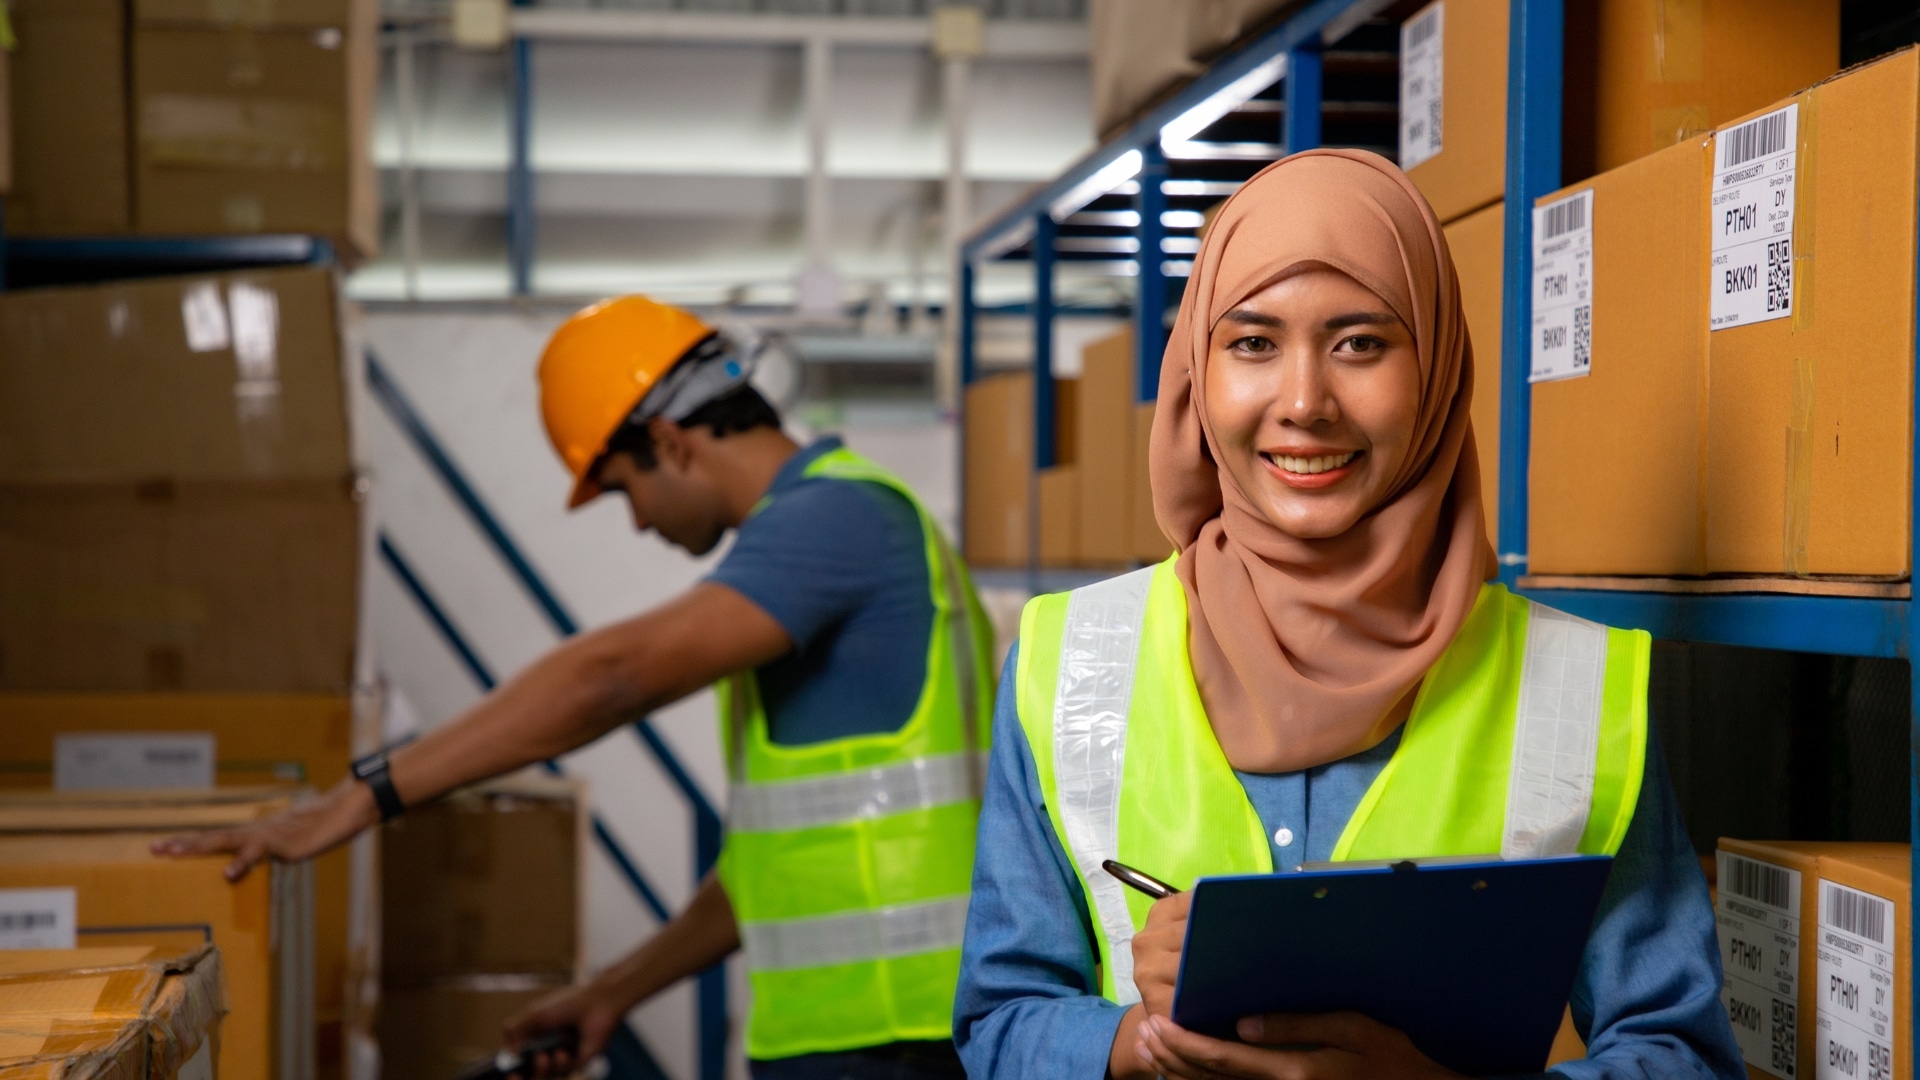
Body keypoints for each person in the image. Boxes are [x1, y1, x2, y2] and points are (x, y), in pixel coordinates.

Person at [951, 150, 1744, 1079]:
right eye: (1252, 343)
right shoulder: (1070, 662)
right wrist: (1134, 1044)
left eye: (1360, 343)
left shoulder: (1574, 691)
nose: (1303, 403)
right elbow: (1000, 1022)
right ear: (1195, 373)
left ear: (1439, 368)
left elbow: (1680, 1055)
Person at [157, 296, 994, 1079]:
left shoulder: (839, 519)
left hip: (899, 1041)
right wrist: (613, 992)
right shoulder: (830, 535)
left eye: (625, 489)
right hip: (870, 1037)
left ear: (670, 441)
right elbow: (770, 878)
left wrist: (361, 797)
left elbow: (612, 678)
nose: (637, 523)